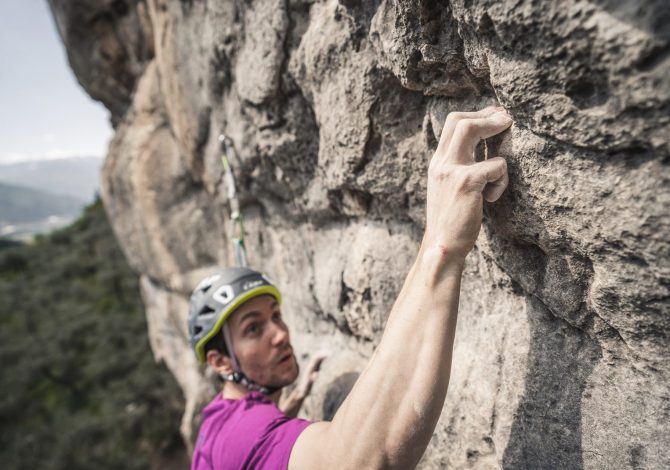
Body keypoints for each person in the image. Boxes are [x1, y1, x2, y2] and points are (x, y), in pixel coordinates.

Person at [188, 106, 513, 469]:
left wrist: (282, 411)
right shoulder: (244, 435)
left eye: (275, 316)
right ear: (219, 362)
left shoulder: (219, 421)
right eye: (253, 329)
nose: (280, 334)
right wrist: (442, 245)